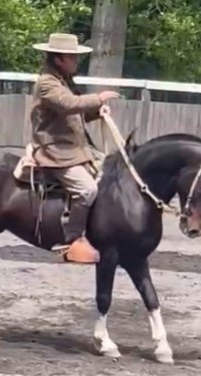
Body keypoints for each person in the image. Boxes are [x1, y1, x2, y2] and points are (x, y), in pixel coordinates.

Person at [29, 33, 120, 264]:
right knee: (87, 190)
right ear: (58, 59)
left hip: (74, 148)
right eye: (72, 57)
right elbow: (69, 105)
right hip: (56, 150)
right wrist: (98, 98)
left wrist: (95, 111)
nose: (75, 61)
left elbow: (75, 113)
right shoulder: (47, 83)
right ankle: (73, 241)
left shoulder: (64, 81)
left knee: (112, 172)